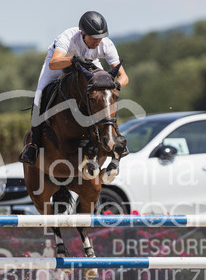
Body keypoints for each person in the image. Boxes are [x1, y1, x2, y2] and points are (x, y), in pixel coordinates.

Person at [18, 11, 129, 165]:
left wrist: (115, 86)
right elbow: (54, 63)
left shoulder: (106, 44)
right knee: (40, 95)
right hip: (61, 63)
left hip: (89, 63)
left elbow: (124, 77)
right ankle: (34, 145)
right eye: (93, 37)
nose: (97, 41)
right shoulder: (68, 38)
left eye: (100, 37)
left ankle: (114, 137)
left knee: (103, 97)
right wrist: (73, 59)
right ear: (83, 33)